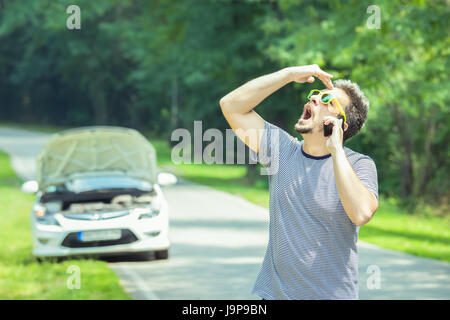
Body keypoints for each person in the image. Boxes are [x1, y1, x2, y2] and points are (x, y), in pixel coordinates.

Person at [219, 65, 379, 300]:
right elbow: (231, 106)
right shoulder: (281, 150)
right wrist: (290, 74)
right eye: (314, 94)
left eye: (327, 100)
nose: (315, 98)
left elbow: (361, 213)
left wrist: (335, 149)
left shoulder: (359, 165)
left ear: (340, 125)